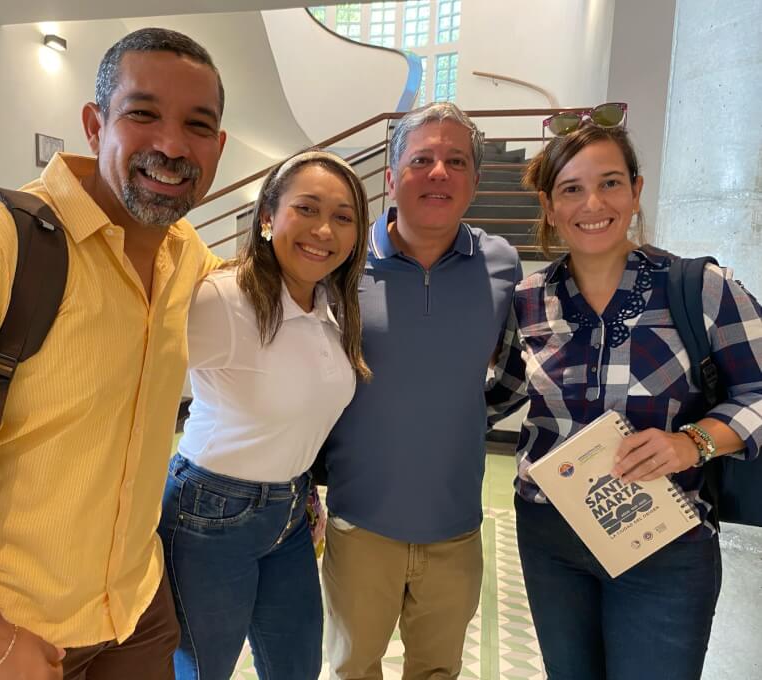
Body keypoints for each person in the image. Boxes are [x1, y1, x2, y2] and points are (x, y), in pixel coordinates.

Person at [0, 27, 228, 680]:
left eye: (197, 125)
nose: (172, 146)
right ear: (94, 124)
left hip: (136, 615)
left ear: (218, 147)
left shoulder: (185, 257)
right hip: (7, 632)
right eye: (143, 114)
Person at [490, 113, 762, 679]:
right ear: (549, 206)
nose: (593, 204)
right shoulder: (528, 300)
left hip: (662, 540)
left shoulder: (699, 288)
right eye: (571, 189)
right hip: (551, 537)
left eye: (610, 182)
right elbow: (500, 394)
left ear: (635, 191)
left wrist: (695, 442)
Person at [317, 102, 523, 680]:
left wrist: (463, 415)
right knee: (352, 667)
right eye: (422, 159)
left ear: (475, 181)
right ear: (390, 177)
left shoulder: (501, 263)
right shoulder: (343, 265)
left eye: (456, 161)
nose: (439, 173)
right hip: (360, 523)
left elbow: (519, 366)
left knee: (438, 670)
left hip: (456, 526)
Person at [158, 150, 371, 680]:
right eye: (308, 208)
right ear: (268, 216)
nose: (324, 230)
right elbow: (135, 381)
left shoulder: (332, 304)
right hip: (208, 511)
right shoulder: (224, 299)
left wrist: (301, 486)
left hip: (290, 510)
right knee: (202, 670)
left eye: (343, 217)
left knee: (296, 666)